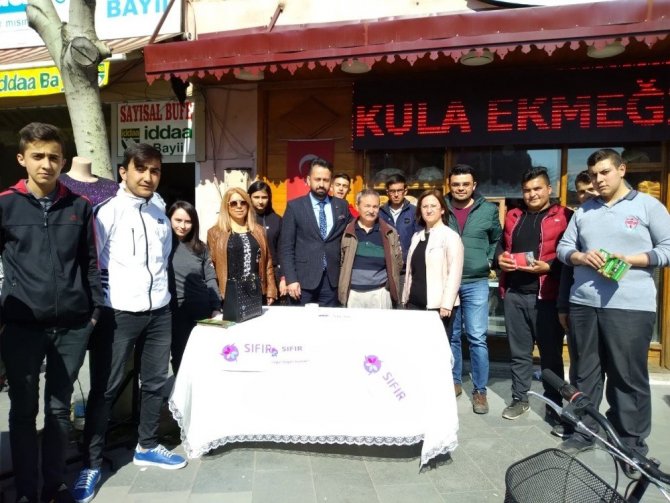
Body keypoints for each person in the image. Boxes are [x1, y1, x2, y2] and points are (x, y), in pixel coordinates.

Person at [75, 144, 186, 503]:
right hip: (118, 313)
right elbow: (92, 262)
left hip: (159, 312)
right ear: (123, 172)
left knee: (154, 382)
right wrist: (101, 305)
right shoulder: (107, 211)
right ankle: (90, 463)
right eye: (141, 169)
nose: (148, 177)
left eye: (155, 171)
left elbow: (163, 257)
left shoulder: (159, 210)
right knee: (105, 389)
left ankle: (147, 445)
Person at [0, 123, 104, 503]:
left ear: (63, 161)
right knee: (23, 411)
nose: (46, 164)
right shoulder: (5, 204)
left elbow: (90, 262)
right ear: (22, 158)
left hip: (72, 326)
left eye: (54, 157)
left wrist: (93, 313)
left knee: (59, 409)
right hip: (21, 327)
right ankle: (26, 491)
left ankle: (54, 485)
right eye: (38, 156)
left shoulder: (80, 206)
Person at [556, 149, 670, 458]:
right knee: (584, 373)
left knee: (627, 376)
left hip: (630, 306)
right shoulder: (583, 211)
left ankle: (631, 444)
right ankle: (583, 432)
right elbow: (563, 249)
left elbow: (667, 248)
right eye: (594, 175)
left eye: (605, 172)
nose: (599, 180)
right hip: (584, 304)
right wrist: (581, 256)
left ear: (622, 170)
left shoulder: (648, 206)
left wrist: (631, 259)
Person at [497, 167, 572, 426]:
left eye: (537, 188)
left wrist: (549, 267)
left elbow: (571, 256)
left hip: (546, 297)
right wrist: (500, 259)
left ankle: (554, 404)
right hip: (515, 294)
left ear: (549, 189)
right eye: (527, 190)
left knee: (550, 356)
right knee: (519, 353)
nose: (532, 194)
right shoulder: (513, 216)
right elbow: (501, 245)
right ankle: (520, 399)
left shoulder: (565, 216)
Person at [445, 164, 502, 414]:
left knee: (477, 337)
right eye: (456, 184)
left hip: (476, 281)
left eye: (465, 184)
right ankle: (454, 381)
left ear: (474, 185)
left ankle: (480, 390)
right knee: (453, 335)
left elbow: (497, 238)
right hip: (448, 281)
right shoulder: (442, 207)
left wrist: (488, 259)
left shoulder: (488, 210)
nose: (460, 188)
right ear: (450, 185)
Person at [279, 158, 352, 306]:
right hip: (302, 281)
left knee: (329, 320)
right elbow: (286, 247)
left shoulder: (341, 205)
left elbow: (354, 228)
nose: (321, 184)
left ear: (330, 182)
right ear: (308, 180)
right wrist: (291, 279)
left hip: (331, 281)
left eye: (326, 180)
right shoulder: (295, 207)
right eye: (317, 179)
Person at [168, 200, 221, 374]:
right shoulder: (163, 246)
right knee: (180, 354)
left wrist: (215, 307)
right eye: (178, 220)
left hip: (201, 308)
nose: (183, 226)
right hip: (176, 310)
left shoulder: (201, 247)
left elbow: (210, 278)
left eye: (188, 221)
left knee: (203, 355)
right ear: (169, 219)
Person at [402, 189, 464, 334]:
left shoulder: (450, 236)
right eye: (424, 206)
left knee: (437, 347)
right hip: (414, 304)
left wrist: (447, 304)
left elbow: (454, 273)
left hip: (438, 307)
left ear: (442, 210)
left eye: (433, 206)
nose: (428, 210)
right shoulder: (416, 237)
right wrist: (405, 298)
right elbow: (411, 272)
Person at [207, 188, 277, 308]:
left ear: (248, 205)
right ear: (226, 206)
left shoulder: (259, 231)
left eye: (243, 202)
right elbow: (211, 266)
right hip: (228, 294)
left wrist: (271, 289)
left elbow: (267, 262)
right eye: (234, 203)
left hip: (255, 291)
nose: (239, 206)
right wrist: (215, 296)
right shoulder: (215, 233)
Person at [338, 189, 403, 308]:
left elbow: (398, 262)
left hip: (380, 293)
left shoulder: (389, 232)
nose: (371, 211)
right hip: (353, 293)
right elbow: (342, 261)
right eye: (367, 206)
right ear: (357, 206)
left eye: (375, 207)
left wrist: (387, 286)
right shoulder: (347, 231)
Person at [379, 174, 421, 294]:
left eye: (399, 190)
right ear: (387, 192)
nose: (396, 194)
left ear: (405, 191)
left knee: (402, 303)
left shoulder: (414, 211)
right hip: (384, 269)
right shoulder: (380, 213)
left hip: (406, 269)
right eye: (392, 191)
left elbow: (418, 239)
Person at [247, 180, 286, 298]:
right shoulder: (244, 219)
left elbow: (282, 250)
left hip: (273, 272)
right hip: (250, 271)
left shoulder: (277, 219)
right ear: (249, 197)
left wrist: (283, 278)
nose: (260, 201)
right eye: (256, 197)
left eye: (264, 197)